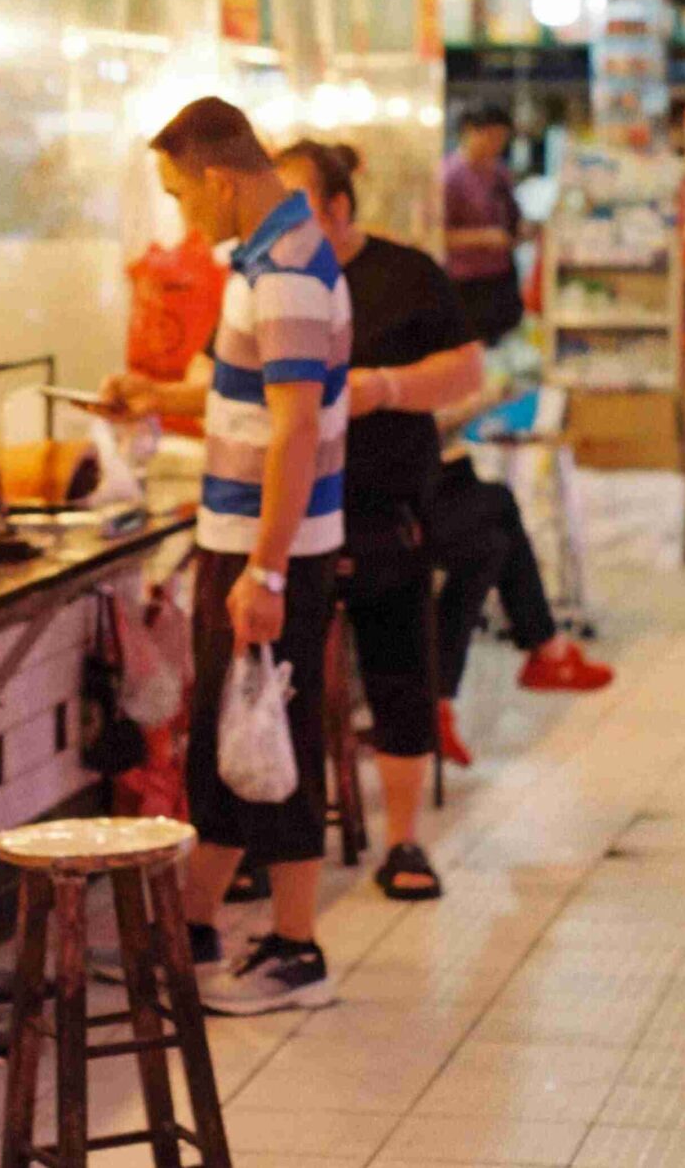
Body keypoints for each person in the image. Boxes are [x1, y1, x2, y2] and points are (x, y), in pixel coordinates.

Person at [100, 97, 348, 1014]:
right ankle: (195, 929)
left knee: (268, 739)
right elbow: (248, 392)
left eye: (179, 193)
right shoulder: (271, 259)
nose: (181, 216)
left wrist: (267, 572)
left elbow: (292, 433)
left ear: (217, 175)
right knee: (231, 735)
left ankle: (294, 949)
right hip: (257, 543)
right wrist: (155, 395)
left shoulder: (284, 269)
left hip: (266, 547)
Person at [271, 141, 463, 903]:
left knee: (397, 673)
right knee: (284, 683)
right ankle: (271, 839)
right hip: (291, 512)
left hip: (386, 505)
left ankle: (403, 838)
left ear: (339, 207)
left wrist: (383, 386)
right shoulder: (270, 279)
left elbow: (468, 369)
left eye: (298, 207)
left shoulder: (405, 274)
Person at [424, 458, 613, 767]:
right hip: (376, 508)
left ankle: (436, 706)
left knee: (489, 542)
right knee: (496, 512)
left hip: (399, 485)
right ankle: (546, 651)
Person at [443, 104, 527, 346]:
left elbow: (511, 215)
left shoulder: (499, 172)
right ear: (469, 131)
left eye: (502, 139)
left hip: (501, 276)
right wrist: (484, 237)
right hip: (467, 282)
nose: (496, 145)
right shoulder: (450, 176)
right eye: (491, 136)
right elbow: (437, 235)